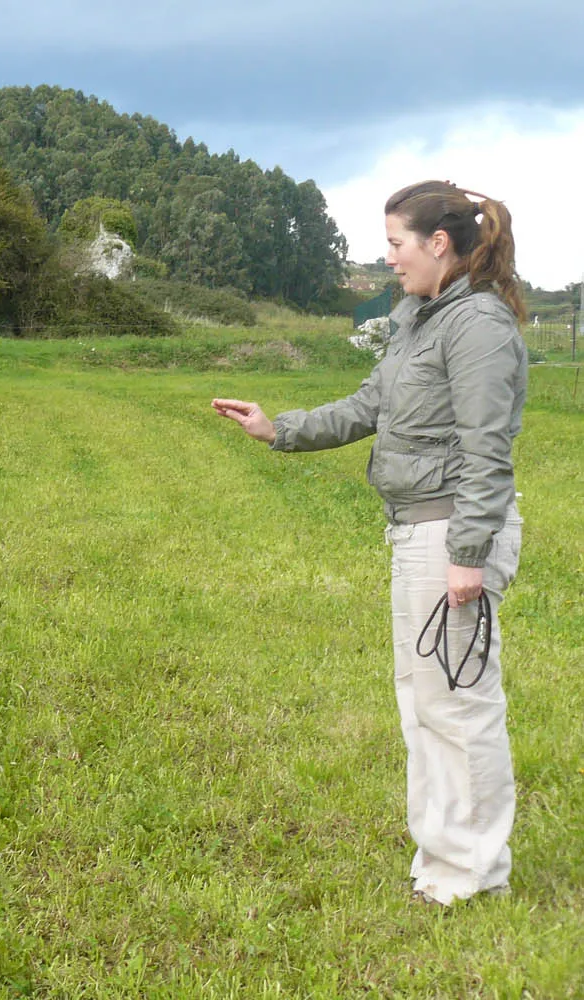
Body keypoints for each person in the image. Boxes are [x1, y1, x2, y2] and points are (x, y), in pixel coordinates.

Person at [212, 180, 528, 907]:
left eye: (395, 244)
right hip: (418, 528)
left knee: (458, 702)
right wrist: (277, 427)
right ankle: (444, 863)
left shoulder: (477, 325)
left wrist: (468, 555)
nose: (388, 260)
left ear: (437, 243)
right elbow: (370, 404)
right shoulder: (417, 316)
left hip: (452, 530)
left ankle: (475, 872)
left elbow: (488, 451)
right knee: (425, 704)